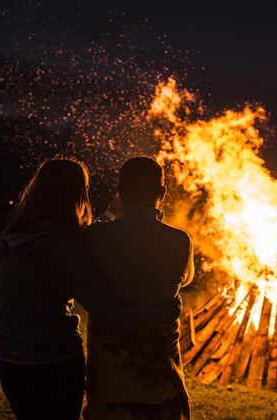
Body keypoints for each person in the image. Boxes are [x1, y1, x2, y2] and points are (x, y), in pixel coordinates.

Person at [0, 158, 180, 420]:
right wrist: (165, 311)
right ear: (75, 195)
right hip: (52, 362)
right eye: (84, 189)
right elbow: (112, 316)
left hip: (11, 362)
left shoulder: (14, 240)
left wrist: (110, 216)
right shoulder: (63, 250)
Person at [85, 156, 194, 419]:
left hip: (109, 382)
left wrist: (110, 213)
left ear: (119, 192)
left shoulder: (96, 236)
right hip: (159, 380)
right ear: (162, 193)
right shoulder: (178, 240)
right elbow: (187, 279)